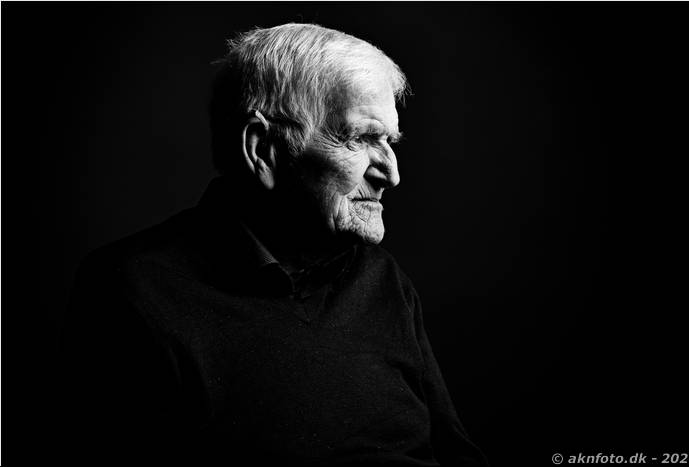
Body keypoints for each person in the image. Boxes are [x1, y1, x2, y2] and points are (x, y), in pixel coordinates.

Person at [58, 23, 489, 466]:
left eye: (389, 142)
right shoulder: (131, 291)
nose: (391, 174)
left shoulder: (381, 278)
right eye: (361, 139)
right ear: (262, 148)